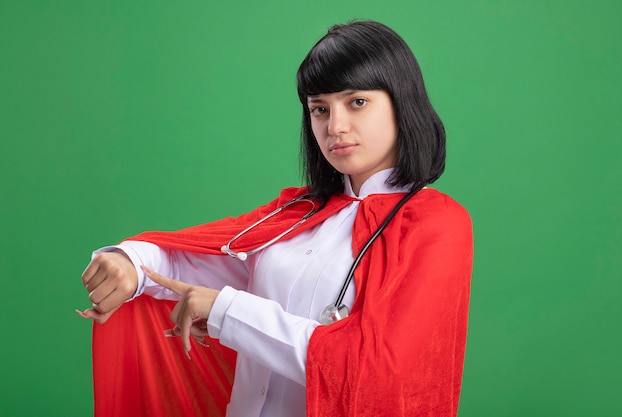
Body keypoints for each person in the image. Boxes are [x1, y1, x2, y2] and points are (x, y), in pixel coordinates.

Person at [78, 20, 473, 417]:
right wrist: (130, 262)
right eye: (320, 109)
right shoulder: (297, 212)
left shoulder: (436, 225)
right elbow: (202, 264)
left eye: (357, 102)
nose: (334, 127)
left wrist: (226, 312)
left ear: (401, 102)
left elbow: (379, 372)